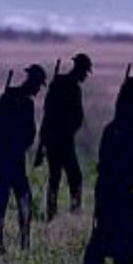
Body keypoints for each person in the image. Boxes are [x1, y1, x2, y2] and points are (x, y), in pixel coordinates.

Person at [76, 90, 133, 264]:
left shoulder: (112, 130)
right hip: (122, 199)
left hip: (107, 197)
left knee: (99, 248)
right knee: (122, 252)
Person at [0, 65, 47, 253]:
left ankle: (10, 242)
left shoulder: (10, 98)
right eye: (38, 85)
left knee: (16, 199)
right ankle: (12, 242)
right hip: (8, 158)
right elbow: (0, 132)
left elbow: (27, 133)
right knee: (15, 199)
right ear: (33, 82)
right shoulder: (17, 101)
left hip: (9, 158)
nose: (39, 89)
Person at [38, 54, 91, 220]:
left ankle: (52, 214)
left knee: (56, 177)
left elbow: (48, 114)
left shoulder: (59, 83)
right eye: (85, 72)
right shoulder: (72, 88)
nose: (85, 76)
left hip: (56, 139)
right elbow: (72, 116)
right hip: (62, 140)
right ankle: (73, 212)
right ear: (80, 70)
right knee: (74, 177)